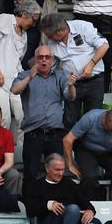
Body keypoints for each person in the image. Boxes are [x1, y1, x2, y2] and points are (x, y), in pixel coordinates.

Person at [0, 1, 40, 133]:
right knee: (3, 119)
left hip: (13, 81)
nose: (34, 24)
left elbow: (17, 61)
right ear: (24, 14)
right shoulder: (4, 19)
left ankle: (18, 146)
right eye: (33, 20)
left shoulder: (24, 35)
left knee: (23, 116)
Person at [24, 153, 102, 224]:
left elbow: (87, 203)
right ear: (47, 169)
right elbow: (30, 209)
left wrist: (90, 211)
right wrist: (48, 205)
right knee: (73, 208)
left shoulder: (70, 184)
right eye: (57, 170)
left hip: (73, 221)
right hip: (51, 222)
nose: (61, 173)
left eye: (62, 170)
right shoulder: (37, 186)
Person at [40, 12, 107, 129]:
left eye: (50, 36)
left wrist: (91, 64)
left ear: (59, 32)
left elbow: (104, 46)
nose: (48, 38)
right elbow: (51, 66)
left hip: (95, 81)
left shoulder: (82, 27)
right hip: (72, 84)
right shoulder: (51, 42)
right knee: (69, 120)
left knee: (93, 119)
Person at [12, 45, 71, 178]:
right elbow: (15, 90)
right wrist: (29, 78)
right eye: (40, 57)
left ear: (52, 60)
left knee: (56, 175)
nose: (44, 60)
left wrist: (72, 86)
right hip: (34, 133)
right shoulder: (25, 74)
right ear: (35, 59)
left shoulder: (59, 75)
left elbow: (70, 96)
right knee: (30, 175)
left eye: (47, 57)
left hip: (55, 134)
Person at [62, 103, 112, 203]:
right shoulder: (90, 118)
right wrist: (70, 164)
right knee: (89, 177)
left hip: (110, 152)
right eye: (109, 130)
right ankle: (92, 208)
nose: (111, 133)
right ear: (104, 118)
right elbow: (67, 139)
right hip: (87, 150)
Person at [68, 0, 112, 91]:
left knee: (107, 62)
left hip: (108, 20)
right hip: (83, 19)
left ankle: (103, 96)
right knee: (82, 59)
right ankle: (79, 95)